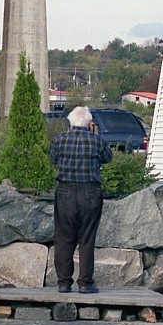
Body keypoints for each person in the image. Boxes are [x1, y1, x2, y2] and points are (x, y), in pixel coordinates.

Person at [48, 106, 114, 294]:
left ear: (70, 123)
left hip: (65, 191)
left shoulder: (60, 140)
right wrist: (96, 135)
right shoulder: (96, 141)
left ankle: (63, 282)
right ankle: (85, 282)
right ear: (89, 124)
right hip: (90, 192)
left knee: (63, 238)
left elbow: (52, 159)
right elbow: (107, 158)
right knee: (87, 238)